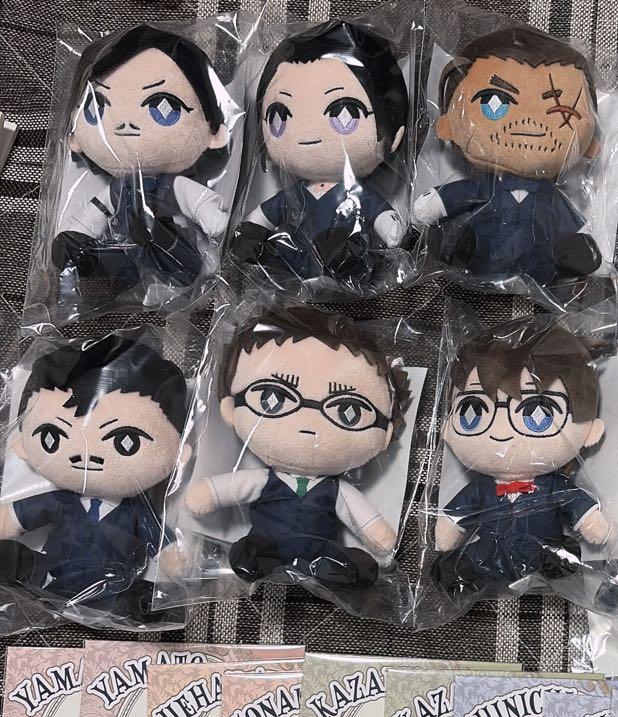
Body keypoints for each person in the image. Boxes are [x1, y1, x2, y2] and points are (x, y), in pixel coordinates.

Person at [183, 306, 410, 608]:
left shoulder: (337, 489)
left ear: (384, 435)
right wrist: (208, 494)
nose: (309, 424)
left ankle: (334, 569)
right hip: (267, 543)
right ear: (230, 409)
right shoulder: (264, 479)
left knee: (351, 565)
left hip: (320, 548)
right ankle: (257, 556)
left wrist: (379, 539)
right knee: (253, 552)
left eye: (348, 410)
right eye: (273, 398)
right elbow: (229, 488)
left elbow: (361, 517)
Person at [0, 333, 189, 623]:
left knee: (146, 602)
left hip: (113, 584)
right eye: (53, 436)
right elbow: (16, 517)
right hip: (53, 575)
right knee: (10, 557)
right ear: (23, 445)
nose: (86, 456)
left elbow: (162, 542)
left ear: (177, 453)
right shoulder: (60, 501)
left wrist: (174, 556)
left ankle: (131, 604)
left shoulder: (138, 511)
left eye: (126, 441)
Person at [412, 26, 603, 286]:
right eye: (494, 102)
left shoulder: (551, 198)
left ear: (590, 145)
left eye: (562, 112)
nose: (529, 124)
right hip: (478, 265)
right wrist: (435, 203)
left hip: (541, 273)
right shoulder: (484, 189)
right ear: (448, 125)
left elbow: (575, 233)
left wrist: (581, 250)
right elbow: (457, 196)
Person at [432, 324, 609, 598]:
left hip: (541, 549)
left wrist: (590, 521)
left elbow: (574, 501)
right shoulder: (482, 487)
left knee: (561, 556)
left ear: (591, 431)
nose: (502, 433)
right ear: (447, 429)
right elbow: (459, 513)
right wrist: (448, 528)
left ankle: (552, 561)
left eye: (538, 414)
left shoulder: (552, 485)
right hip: (491, 550)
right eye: (473, 412)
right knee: (454, 567)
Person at [53, 25, 231, 296]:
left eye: (165, 107)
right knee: (107, 265)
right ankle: (106, 280)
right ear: (74, 135)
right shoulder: (117, 189)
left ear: (214, 132)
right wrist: (77, 235)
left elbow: (197, 203)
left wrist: (213, 219)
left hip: (173, 243)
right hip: (125, 247)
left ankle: (161, 283)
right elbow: (96, 214)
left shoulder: (174, 185)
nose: (125, 124)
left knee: (178, 263)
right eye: (97, 107)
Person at [232, 21, 409, 287]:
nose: (307, 133)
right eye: (280, 116)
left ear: (393, 135)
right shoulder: (294, 196)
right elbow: (261, 219)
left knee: (343, 245)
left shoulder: (357, 195)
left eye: (345, 113)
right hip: (293, 267)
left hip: (342, 263)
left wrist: (390, 228)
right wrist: (249, 232)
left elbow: (381, 216)